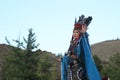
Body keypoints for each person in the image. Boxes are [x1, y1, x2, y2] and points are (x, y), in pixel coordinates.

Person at [61, 15, 101, 80]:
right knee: (65, 59)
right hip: (71, 65)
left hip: (79, 64)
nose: (74, 34)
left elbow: (83, 52)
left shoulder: (82, 40)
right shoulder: (72, 42)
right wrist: (65, 57)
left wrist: (83, 33)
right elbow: (69, 53)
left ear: (80, 32)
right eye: (73, 32)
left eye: (76, 32)